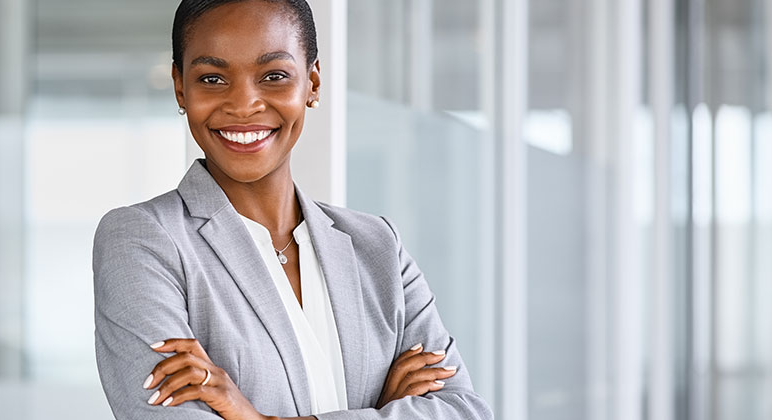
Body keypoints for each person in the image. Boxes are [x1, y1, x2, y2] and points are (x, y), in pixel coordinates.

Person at [90, 1, 494, 419]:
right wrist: (382, 410)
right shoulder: (142, 241)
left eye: (274, 76)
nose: (244, 104)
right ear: (180, 88)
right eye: (212, 78)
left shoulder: (377, 247)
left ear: (313, 83)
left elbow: (464, 412)